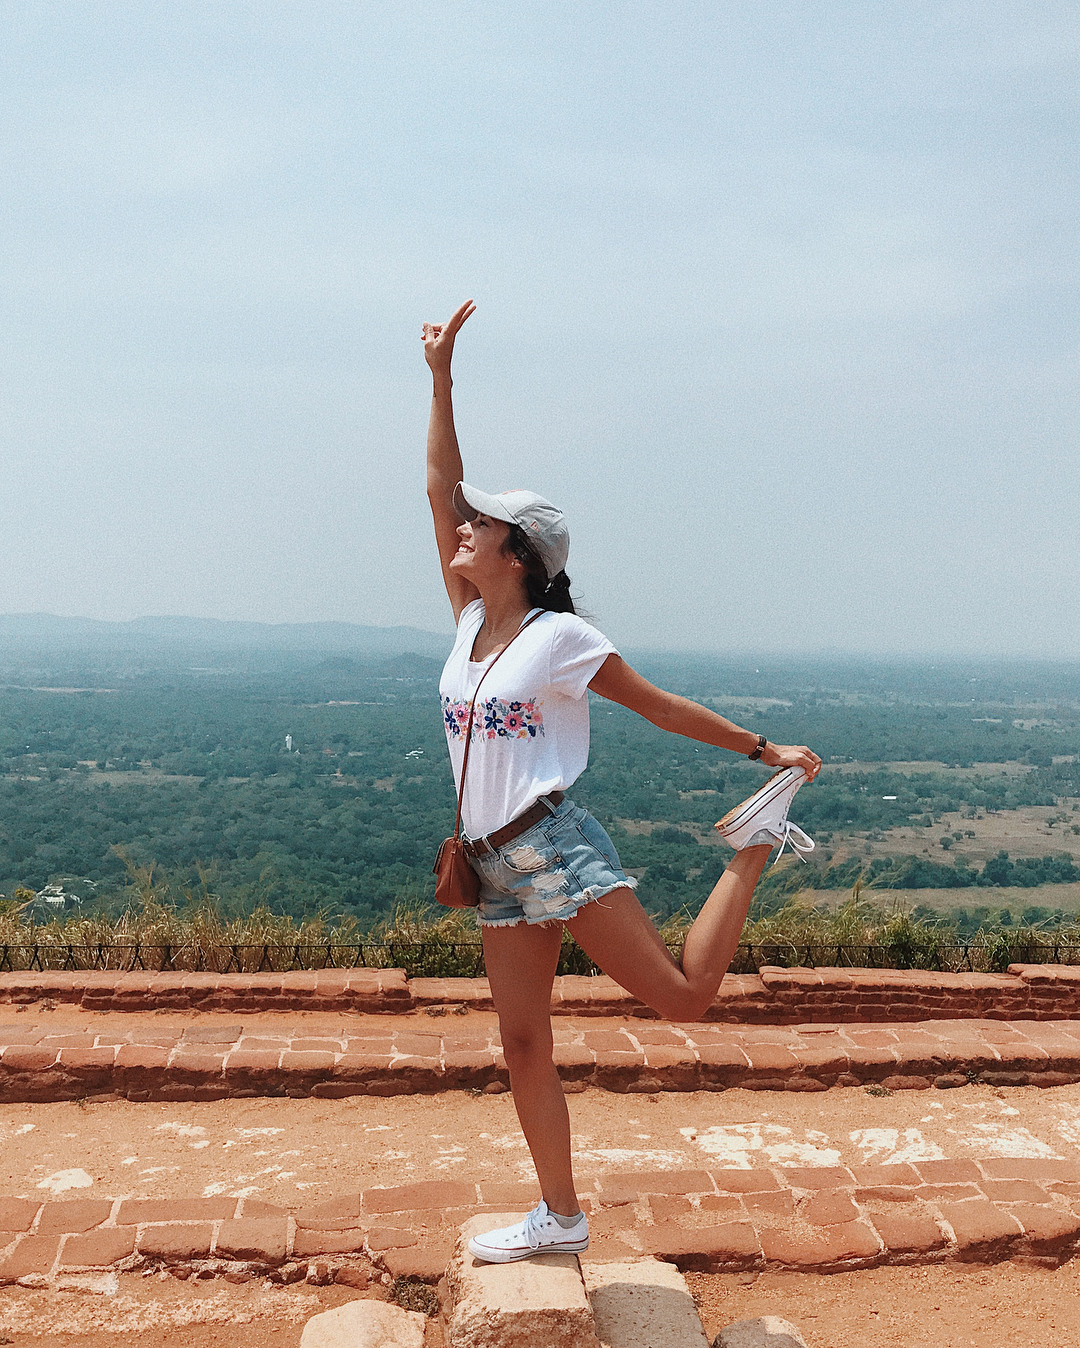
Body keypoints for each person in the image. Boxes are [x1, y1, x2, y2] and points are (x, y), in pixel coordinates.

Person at [422, 300, 822, 1264]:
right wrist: (439, 381)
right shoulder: (470, 620)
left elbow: (660, 706)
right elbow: (439, 487)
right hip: (491, 862)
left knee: (684, 1001)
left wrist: (763, 751)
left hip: (554, 848)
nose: (463, 529)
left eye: (483, 527)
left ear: (517, 553)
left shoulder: (560, 638)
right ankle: (559, 1219)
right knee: (522, 1047)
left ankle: (755, 844)